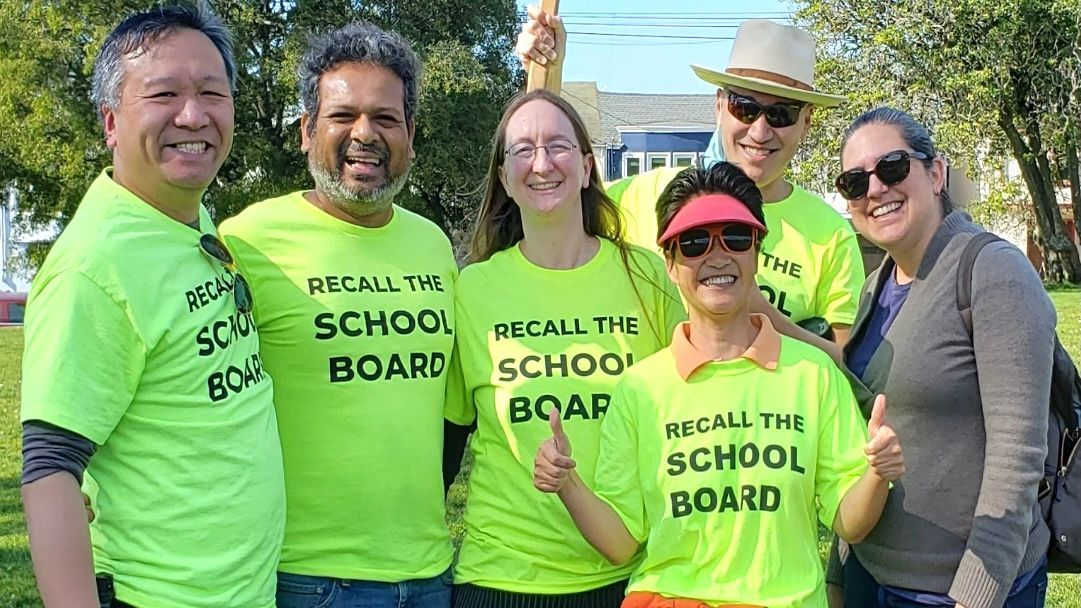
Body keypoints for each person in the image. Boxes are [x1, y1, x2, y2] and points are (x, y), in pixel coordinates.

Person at [533, 162, 905, 608]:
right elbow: (621, 542)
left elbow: (849, 522)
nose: (717, 255)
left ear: (756, 252)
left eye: (735, 236)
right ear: (669, 264)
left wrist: (876, 474)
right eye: (693, 243)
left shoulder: (813, 374)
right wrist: (567, 486)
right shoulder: (640, 389)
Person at [20, 4, 284, 608]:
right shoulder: (95, 265)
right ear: (111, 122)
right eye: (163, 93)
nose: (193, 115)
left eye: (213, 93)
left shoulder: (182, 221)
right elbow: (50, 470)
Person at [218, 22, 457, 608]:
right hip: (305, 577)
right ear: (306, 131)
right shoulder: (247, 243)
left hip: (429, 572)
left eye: (386, 118)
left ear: (411, 135)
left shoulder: (433, 245)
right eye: (343, 116)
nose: (365, 134)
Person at [444, 89, 685, 607]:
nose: (542, 162)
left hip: (634, 575)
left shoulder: (648, 277)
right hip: (502, 576)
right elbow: (447, 432)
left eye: (558, 146)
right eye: (522, 151)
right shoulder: (471, 290)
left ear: (587, 167)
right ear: (505, 179)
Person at [517, 12, 864, 343]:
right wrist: (545, 77)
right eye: (744, 107)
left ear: (806, 122)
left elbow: (846, 368)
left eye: (781, 114)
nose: (760, 131)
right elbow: (545, 200)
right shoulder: (646, 194)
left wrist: (759, 314)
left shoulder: (830, 235)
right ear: (718, 105)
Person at [825, 107, 1055, 608]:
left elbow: (1016, 462)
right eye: (854, 182)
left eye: (891, 167)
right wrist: (840, 567)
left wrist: (975, 596)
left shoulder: (991, 272)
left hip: (959, 590)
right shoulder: (876, 287)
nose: (876, 190)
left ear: (935, 172)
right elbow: (868, 432)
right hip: (872, 574)